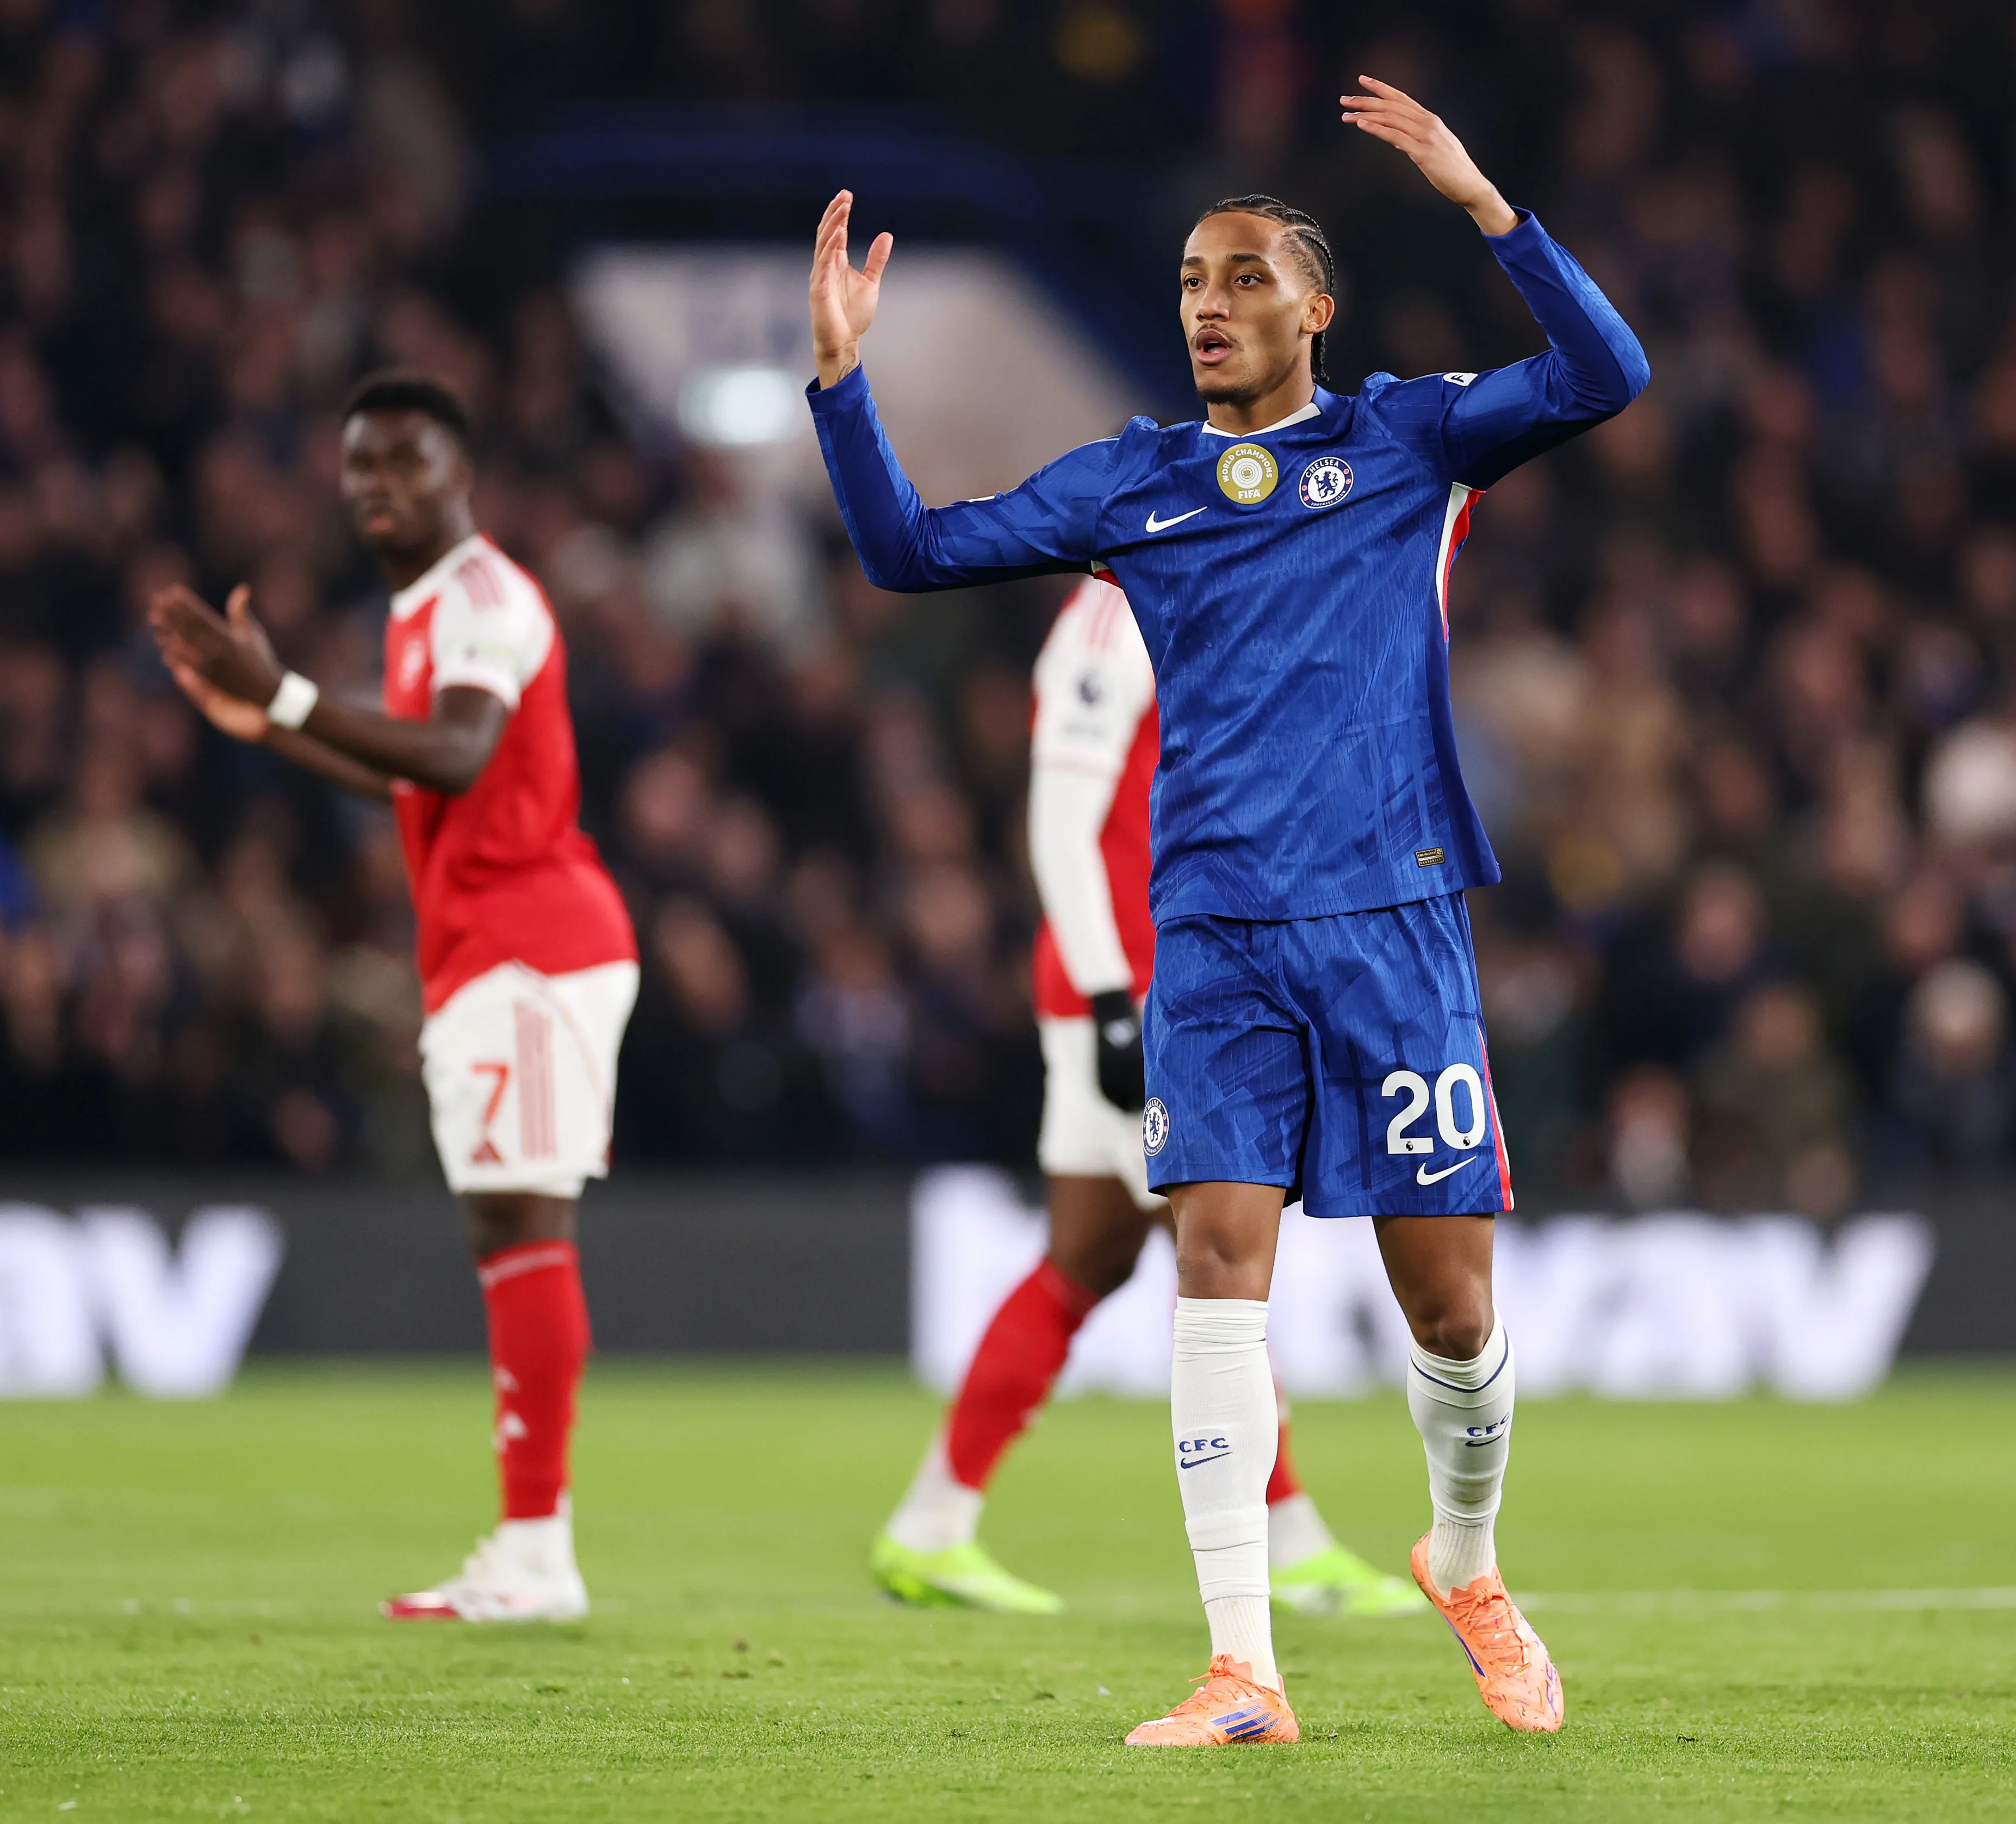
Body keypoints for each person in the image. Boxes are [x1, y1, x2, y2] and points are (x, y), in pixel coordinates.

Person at [806, 76, 1646, 1745]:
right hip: (1215, 931)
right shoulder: (1137, 483)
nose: (1211, 302)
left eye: (1248, 276)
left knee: (1453, 1310)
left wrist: (1489, 203)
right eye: (1194, 278)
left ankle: (1466, 1565)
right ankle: (1243, 1667)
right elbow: (908, 551)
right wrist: (842, 381)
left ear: (1316, 310)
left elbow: (1609, 375)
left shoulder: (1410, 438)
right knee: (1215, 1266)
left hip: (1395, 918)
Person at [150, 373, 640, 1625]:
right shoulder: (425, 608)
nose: (379, 487)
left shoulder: (480, 598)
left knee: (525, 1224)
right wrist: (271, 726)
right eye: (361, 466)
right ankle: (532, 1543)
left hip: (534, 948)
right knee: (504, 1230)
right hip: (488, 948)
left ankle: (540, 1550)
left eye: (405, 464)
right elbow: (421, 784)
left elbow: (461, 752)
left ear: (459, 473)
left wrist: (290, 696)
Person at [870, 573, 1417, 1620]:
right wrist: (1114, 998)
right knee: (1221, 1244)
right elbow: (1061, 824)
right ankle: (1292, 1541)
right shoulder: (1107, 622)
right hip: (1137, 990)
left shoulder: (1192, 601)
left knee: (1088, 1255)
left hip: (1156, 979)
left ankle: (930, 1523)